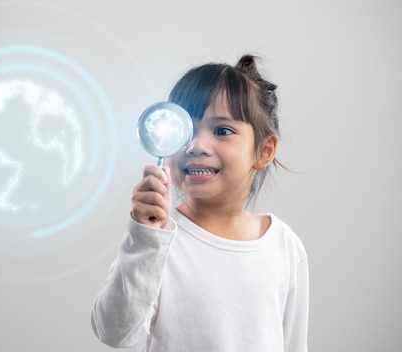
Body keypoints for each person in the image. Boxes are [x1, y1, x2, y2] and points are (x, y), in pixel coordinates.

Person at [91, 55, 309, 352]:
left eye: (222, 131)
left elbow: (294, 344)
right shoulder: (156, 240)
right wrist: (146, 238)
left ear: (264, 150)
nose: (195, 146)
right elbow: (115, 331)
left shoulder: (284, 245)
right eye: (186, 130)